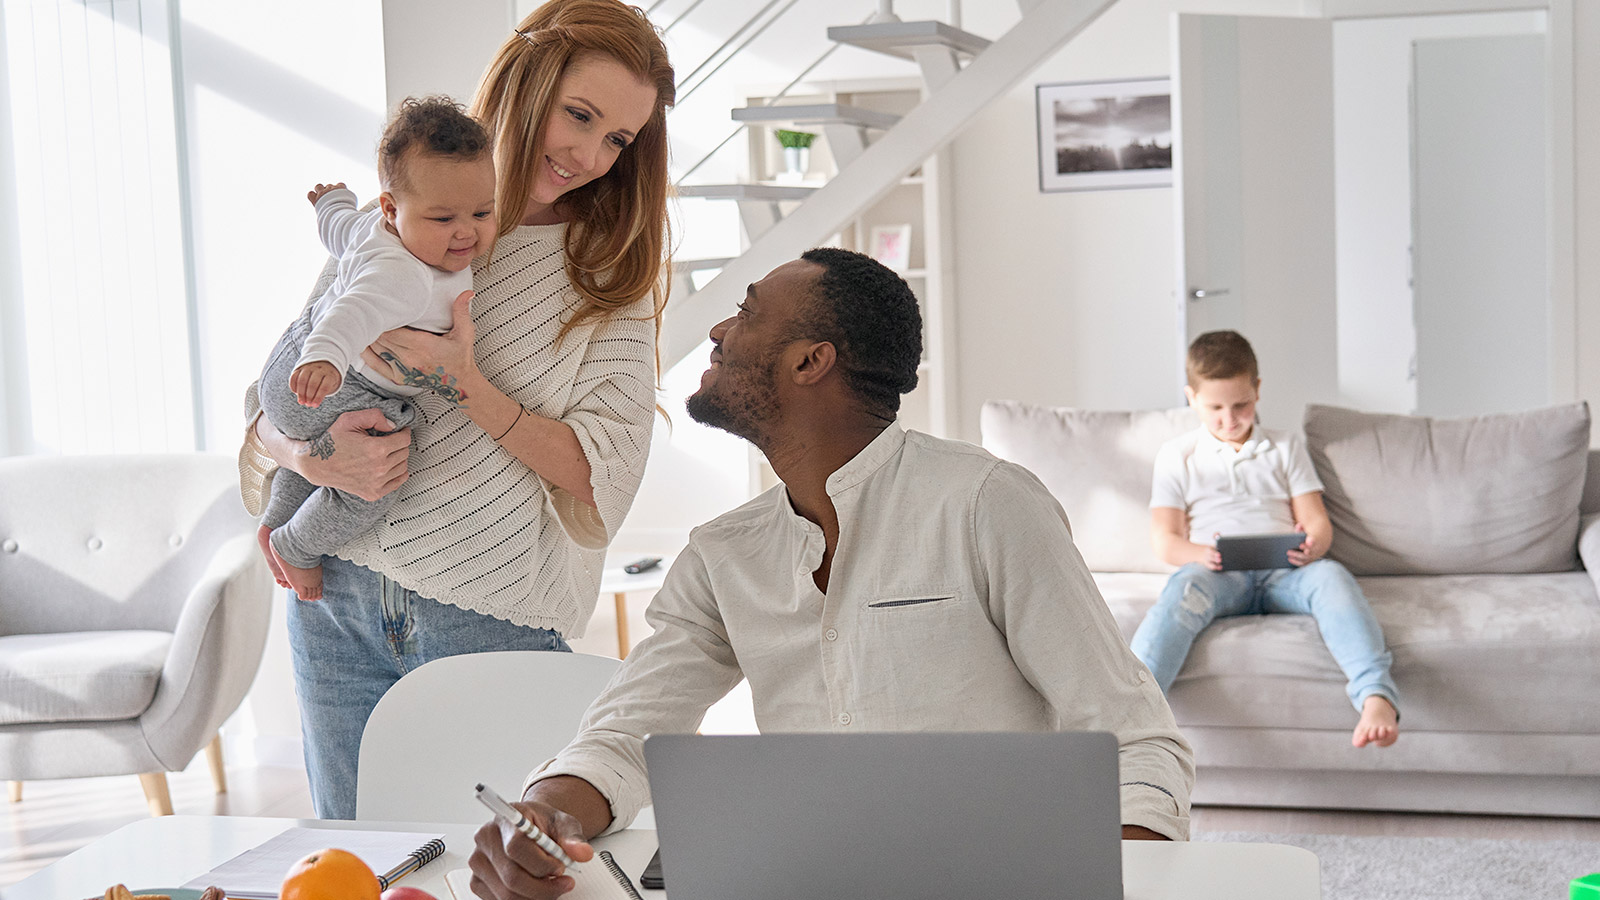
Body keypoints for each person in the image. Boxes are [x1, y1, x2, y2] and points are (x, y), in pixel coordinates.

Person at [466, 249, 1196, 900]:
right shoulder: (723, 553)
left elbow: (1137, 741)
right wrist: (545, 813)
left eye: (747, 312)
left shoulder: (985, 503)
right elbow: (624, 735)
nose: (718, 330)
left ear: (810, 362)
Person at [236, 0, 675, 819]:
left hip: (487, 614)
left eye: (618, 139)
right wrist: (314, 460)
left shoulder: (607, 274)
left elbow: (601, 475)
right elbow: (274, 398)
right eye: (579, 115)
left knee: (499, 867)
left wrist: (466, 381)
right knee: (355, 864)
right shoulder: (402, 220)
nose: (588, 156)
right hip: (335, 598)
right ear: (525, 83)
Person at [256, 96, 496, 602]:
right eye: (443, 218)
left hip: (289, 367)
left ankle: (276, 520)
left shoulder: (374, 227)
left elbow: (338, 232)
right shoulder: (405, 275)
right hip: (339, 386)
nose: (466, 231)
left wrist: (331, 204)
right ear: (392, 208)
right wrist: (324, 357)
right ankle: (298, 546)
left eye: (482, 212)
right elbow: (354, 312)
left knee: (320, 454)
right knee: (376, 480)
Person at [1129, 330, 1400, 749]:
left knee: (1332, 578)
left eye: (1241, 405)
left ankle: (1376, 696)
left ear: (1257, 390)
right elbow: (1165, 540)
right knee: (1181, 593)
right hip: (1216, 574)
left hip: (1284, 571)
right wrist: (1200, 553)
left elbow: (1317, 522)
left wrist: (1312, 545)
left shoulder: (1284, 446)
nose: (1229, 419)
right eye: (1215, 408)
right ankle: (1134, 713)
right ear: (1192, 398)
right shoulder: (1177, 455)